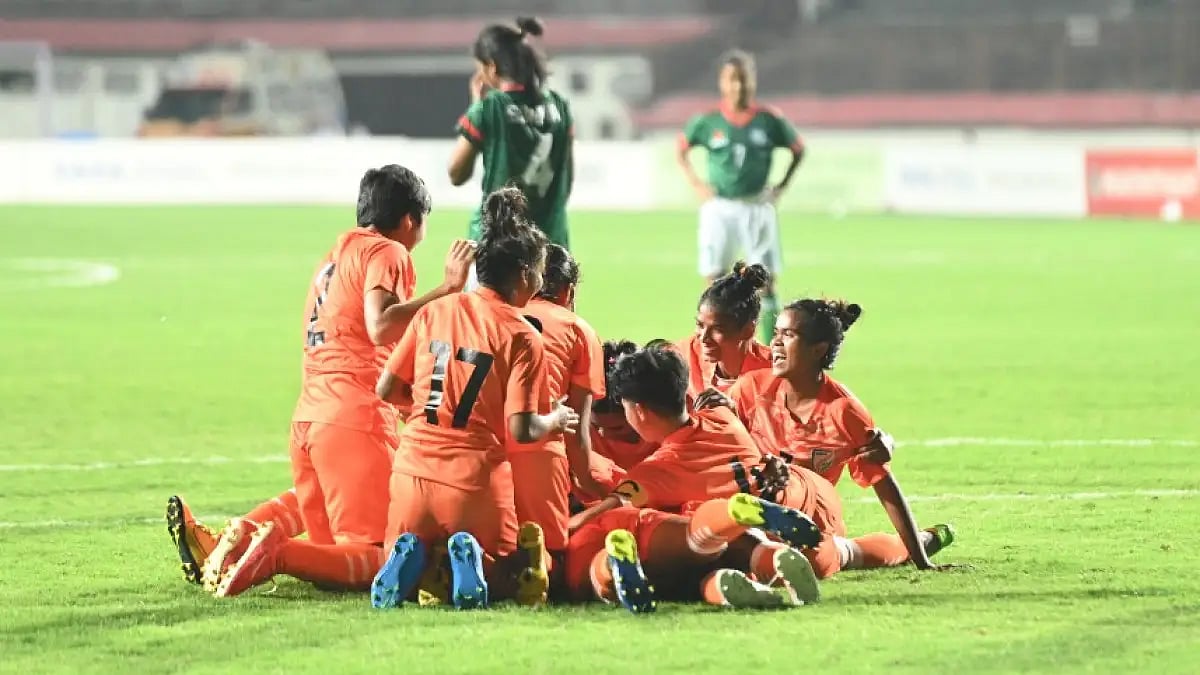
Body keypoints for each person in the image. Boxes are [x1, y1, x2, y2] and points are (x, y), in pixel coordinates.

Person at [174, 165, 476, 596]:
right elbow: (380, 326)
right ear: (410, 220)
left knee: (335, 526)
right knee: (380, 557)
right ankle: (277, 553)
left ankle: (229, 541)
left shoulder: (336, 254)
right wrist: (449, 288)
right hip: (353, 417)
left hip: (311, 419)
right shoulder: (388, 253)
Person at [372, 187, 578, 610]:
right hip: (472, 483)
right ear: (523, 276)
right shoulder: (522, 334)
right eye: (539, 273)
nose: (540, 283)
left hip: (411, 472)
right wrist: (555, 419)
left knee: (419, 578)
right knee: (512, 577)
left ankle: (414, 554)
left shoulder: (434, 311)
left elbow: (386, 388)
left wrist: (428, 412)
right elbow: (522, 429)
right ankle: (474, 557)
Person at [696, 299, 958, 575]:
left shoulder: (844, 412)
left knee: (813, 560)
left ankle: (914, 543)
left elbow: (884, 486)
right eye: (776, 333)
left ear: (818, 349)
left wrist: (921, 560)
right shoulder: (751, 388)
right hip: (759, 508)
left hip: (814, 517)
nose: (775, 343)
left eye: (788, 335)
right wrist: (719, 415)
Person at [499, 243, 607, 603]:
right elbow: (576, 431)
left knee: (494, 543)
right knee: (552, 560)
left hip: (484, 451)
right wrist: (592, 486)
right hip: (540, 452)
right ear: (569, 291)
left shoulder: (496, 315)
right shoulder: (578, 330)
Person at [676, 49, 805, 345]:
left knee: (766, 280)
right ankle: (715, 344)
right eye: (732, 80)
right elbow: (681, 148)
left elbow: (798, 149)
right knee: (714, 279)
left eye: (743, 80)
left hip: (756, 206)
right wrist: (696, 183)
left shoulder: (769, 120)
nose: (738, 86)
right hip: (718, 207)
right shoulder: (708, 121)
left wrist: (781, 185)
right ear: (722, 83)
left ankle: (774, 347)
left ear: (753, 82)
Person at [449, 16, 574, 264]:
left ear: (492, 68)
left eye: (480, 69)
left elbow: (456, 174)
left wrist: (477, 107)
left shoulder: (491, 108)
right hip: (551, 246)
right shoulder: (559, 106)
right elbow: (567, 180)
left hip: (498, 247)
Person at [567, 493, 821, 614]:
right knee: (699, 543)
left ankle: (610, 565)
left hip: (580, 537)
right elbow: (627, 492)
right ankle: (765, 547)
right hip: (640, 516)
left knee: (591, 579)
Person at [675, 262, 773, 400]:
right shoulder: (684, 356)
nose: (703, 338)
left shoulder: (774, 373)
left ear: (748, 330)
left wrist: (734, 410)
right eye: (700, 325)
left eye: (718, 329)